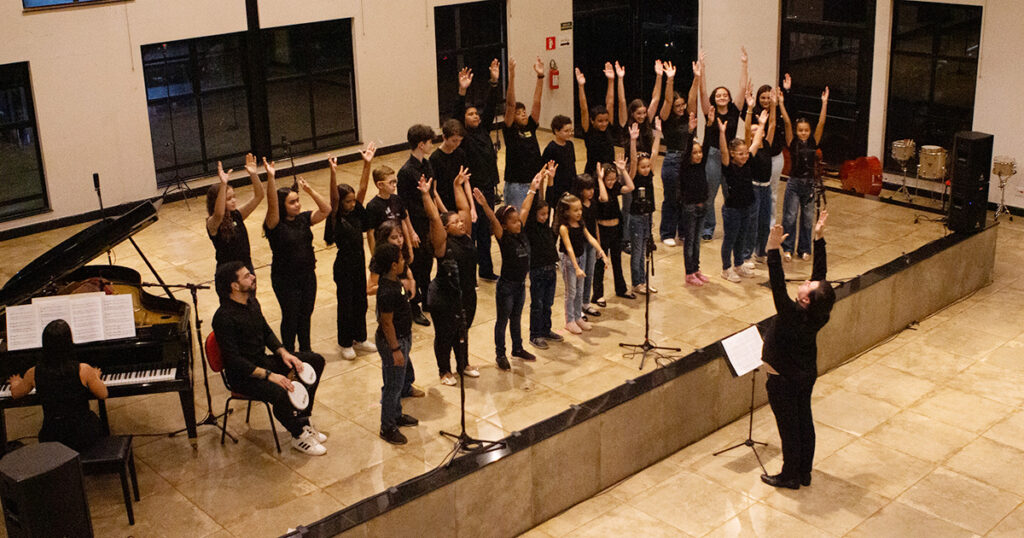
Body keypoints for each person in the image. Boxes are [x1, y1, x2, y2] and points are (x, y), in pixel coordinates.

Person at [211, 262, 328, 455]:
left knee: (314, 362)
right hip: (243, 377)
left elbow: (266, 332)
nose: (253, 277)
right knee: (280, 391)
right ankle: (298, 435)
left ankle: (303, 419)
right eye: (247, 276)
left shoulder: (251, 302)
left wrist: (284, 353)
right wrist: (269, 375)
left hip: (261, 361)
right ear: (234, 285)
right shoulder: (223, 317)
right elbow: (234, 361)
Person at [760, 211, 835, 489]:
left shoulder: (793, 315)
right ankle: (804, 471)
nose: (805, 282)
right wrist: (819, 239)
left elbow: (778, 286)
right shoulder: (818, 312)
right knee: (804, 420)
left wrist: (772, 250)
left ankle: (790, 474)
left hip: (785, 379)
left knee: (789, 428)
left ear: (805, 300)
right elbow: (821, 278)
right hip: (805, 374)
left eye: (807, 286)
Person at [476, 168, 545, 370]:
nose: (518, 224)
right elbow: (494, 220)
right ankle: (500, 354)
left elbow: (525, 207)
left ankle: (517, 348)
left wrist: (533, 189)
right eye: (513, 222)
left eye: (518, 221)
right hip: (506, 286)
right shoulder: (503, 237)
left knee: (516, 318)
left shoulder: (520, 231)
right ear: (505, 226)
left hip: (520, 285)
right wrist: (484, 205)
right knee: (503, 321)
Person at [8, 319, 107, 452]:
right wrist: (95, 377)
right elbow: (103, 394)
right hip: (83, 435)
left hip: (52, 435)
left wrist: (15, 382)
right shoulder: (83, 370)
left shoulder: (33, 373)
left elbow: (16, 394)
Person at [420, 171, 483, 381]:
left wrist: (458, 186)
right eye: (455, 222)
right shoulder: (442, 244)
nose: (461, 223)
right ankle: (444, 370)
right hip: (444, 296)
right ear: (445, 229)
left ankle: (463, 364)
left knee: (463, 332)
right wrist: (426, 195)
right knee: (445, 335)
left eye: (460, 222)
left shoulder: (465, 235)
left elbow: (465, 208)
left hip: (466, 293)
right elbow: (434, 218)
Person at [263, 160, 331, 353]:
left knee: (305, 315)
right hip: (285, 279)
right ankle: (289, 353)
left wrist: (310, 191)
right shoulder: (274, 224)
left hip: (308, 275)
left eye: (298, 200)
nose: (297, 205)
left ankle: (306, 352)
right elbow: (271, 205)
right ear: (282, 205)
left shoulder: (303, 219)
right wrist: (270, 178)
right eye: (292, 202)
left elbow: (326, 210)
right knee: (291, 316)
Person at [326, 143, 377, 360]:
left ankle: (360, 336)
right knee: (346, 304)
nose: (352, 203)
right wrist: (333, 173)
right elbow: (334, 199)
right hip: (344, 263)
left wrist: (367, 164)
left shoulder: (356, 210)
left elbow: (363, 189)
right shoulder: (336, 216)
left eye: (353, 200)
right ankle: (345, 342)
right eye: (348, 201)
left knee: (361, 301)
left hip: (358, 260)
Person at [454, 60, 502, 281]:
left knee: (485, 230)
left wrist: (494, 82)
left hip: (488, 187)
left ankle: (485, 269)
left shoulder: (483, 130)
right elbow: (455, 115)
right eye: (470, 114)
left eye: (476, 114)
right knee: (472, 231)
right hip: (471, 189)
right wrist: (462, 91)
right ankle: (469, 275)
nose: (475, 116)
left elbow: (491, 107)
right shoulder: (463, 136)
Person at [371, 244, 420, 446]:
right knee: (393, 385)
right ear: (393, 265)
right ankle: (387, 426)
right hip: (394, 342)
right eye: (401, 259)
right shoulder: (387, 291)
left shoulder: (393, 281)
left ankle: (397, 414)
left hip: (402, 337)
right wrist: (395, 350)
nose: (404, 262)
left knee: (398, 382)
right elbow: (386, 322)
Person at [699, 48, 746, 241]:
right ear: (714, 98)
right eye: (718, 95)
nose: (722, 97)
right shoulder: (709, 111)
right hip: (712, 154)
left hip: (731, 156)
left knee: (731, 193)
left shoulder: (735, 111)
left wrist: (744, 64)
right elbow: (702, 91)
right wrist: (701, 69)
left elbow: (742, 89)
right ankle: (708, 228)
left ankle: (731, 226)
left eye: (724, 94)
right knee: (710, 194)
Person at [780, 86, 829, 261]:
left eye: (806, 130)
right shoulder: (792, 142)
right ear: (796, 131)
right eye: (800, 130)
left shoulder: (813, 142)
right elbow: (786, 122)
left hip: (809, 184)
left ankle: (804, 248)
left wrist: (824, 103)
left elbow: (822, 123)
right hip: (794, 182)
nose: (803, 133)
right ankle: (787, 248)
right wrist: (781, 103)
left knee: (807, 219)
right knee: (790, 216)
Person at [397, 124, 438, 327]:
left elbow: (432, 193)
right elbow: (403, 206)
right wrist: (411, 232)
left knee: (428, 263)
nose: (432, 144)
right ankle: (414, 307)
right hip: (415, 224)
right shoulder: (405, 172)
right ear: (421, 144)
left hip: (428, 221)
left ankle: (428, 300)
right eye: (430, 141)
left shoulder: (427, 165)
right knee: (416, 265)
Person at [718, 110, 766, 283]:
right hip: (732, 208)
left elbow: (756, 142)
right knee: (730, 238)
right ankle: (726, 268)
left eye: (745, 153)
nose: (744, 156)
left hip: (747, 205)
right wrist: (722, 134)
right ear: (732, 154)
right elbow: (723, 151)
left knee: (742, 236)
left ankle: (738, 264)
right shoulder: (728, 166)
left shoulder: (748, 161)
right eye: (740, 153)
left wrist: (761, 125)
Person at [657, 61, 700, 246]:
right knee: (672, 198)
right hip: (673, 159)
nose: (681, 108)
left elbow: (692, 98)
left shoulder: (687, 117)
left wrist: (697, 77)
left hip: (687, 159)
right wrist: (670, 80)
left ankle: (683, 231)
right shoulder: (666, 119)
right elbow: (667, 100)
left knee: (686, 198)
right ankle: (667, 232)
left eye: (682, 105)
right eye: (678, 106)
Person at [555, 193, 606, 335]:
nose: (579, 213)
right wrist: (576, 267)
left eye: (580, 209)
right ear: (566, 212)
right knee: (571, 292)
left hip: (581, 257)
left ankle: (578, 317)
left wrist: (601, 251)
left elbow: (590, 237)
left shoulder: (580, 223)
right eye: (575, 210)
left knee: (580, 290)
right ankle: (569, 320)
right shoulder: (564, 227)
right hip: (569, 260)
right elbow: (569, 248)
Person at [206, 154, 265, 272]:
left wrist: (253, 174)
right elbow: (219, 214)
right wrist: (223, 184)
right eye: (228, 199)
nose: (234, 201)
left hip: (246, 268)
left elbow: (259, 196)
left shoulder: (237, 215)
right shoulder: (212, 223)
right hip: (228, 273)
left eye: (234, 197)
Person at [741, 87, 778, 266]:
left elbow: (772, 125)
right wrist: (750, 109)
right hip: (754, 187)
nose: (757, 132)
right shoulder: (751, 149)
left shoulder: (768, 145)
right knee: (752, 222)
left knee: (764, 221)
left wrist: (774, 105)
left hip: (766, 187)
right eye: (755, 131)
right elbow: (747, 129)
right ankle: (747, 254)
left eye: (759, 130)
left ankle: (761, 252)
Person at [502, 57, 545, 209]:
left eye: (524, 112)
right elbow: (510, 104)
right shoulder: (510, 130)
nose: (523, 114)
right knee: (518, 223)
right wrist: (512, 76)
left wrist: (540, 77)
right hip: (517, 186)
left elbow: (537, 102)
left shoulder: (530, 127)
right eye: (518, 113)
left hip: (535, 181)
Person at [629, 118, 663, 295]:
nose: (646, 169)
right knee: (637, 250)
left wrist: (658, 133)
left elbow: (655, 152)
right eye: (643, 167)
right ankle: (637, 282)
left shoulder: (650, 174)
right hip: (636, 216)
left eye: (648, 166)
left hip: (647, 215)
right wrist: (633, 141)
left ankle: (643, 280)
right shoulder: (634, 175)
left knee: (645, 248)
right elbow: (634, 161)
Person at [524, 188, 563, 349]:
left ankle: (546, 329)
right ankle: (535, 335)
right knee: (537, 304)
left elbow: (551, 197)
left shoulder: (546, 226)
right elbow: (530, 207)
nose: (545, 217)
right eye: (541, 214)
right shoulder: (531, 228)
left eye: (546, 214)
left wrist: (551, 181)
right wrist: (534, 187)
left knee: (548, 303)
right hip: (537, 270)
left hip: (550, 269)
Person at [593, 157, 635, 303]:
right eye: (608, 180)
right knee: (600, 264)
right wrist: (600, 179)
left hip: (616, 229)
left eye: (613, 179)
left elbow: (630, 187)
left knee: (617, 261)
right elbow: (604, 198)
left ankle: (621, 288)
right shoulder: (598, 190)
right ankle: (598, 294)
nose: (611, 182)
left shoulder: (615, 187)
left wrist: (623, 171)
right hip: (603, 231)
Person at [680, 124, 711, 286]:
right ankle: (689, 272)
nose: (698, 155)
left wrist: (709, 124)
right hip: (690, 208)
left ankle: (696, 269)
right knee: (690, 240)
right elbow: (686, 153)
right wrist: (691, 132)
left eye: (700, 152)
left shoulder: (701, 165)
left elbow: (707, 144)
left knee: (697, 241)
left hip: (702, 206)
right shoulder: (685, 167)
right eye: (695, 153)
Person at [574, 65, 617, 177]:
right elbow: (583, 109)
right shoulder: (588, 131)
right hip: (593, 172)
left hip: (609, 172)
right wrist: (581, 86)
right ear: (592, 121)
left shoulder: (609, 129)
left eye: (606, 120)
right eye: (600, 121)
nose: (604, 124)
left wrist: (611, 80)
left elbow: (610, 103)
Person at [365, 165, 415, 257]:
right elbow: (370, 233)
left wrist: (409, 247)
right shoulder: (373, 206)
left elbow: (403, 222)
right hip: (385, 250)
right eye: (391, 182)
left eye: (395, 181)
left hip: (400, 247)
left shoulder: (397, 199)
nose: (394, 185)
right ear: (380, 185)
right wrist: (374, 256)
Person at [429, 119, 474, 216]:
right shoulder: (434, 158)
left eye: (460, 141)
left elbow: (466, 181)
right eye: (454, 141)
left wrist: (472, 206)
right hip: (445, 206)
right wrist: (446, 214)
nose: (457, 144)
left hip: (460, 203)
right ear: (444, 137)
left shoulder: (460, 153)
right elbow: (434, 191)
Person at [571, 173, 600, 319]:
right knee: (580, 276)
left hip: (591, 243)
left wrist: (598, 243)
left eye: (592, 189)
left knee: (590, 272)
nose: (591, 192)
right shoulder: (577, 205)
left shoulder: (593, 203)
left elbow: (595, 223)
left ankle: (586, 302)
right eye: (587, 189)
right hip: (580, 243)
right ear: (580, 189)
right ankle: (577, 307)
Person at [541, 115, 576, 203]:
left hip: (571, 184)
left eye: (570, 130)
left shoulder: (570, 145)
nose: (569, 133)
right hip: (558, 187)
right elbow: (544, 169)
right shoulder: (551, 148)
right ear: (556, 131)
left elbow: (572, 165)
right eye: (566, 131)